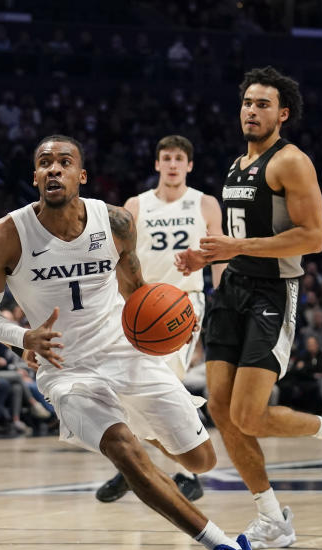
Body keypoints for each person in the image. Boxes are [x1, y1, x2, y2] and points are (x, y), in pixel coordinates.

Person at [0, 134, 255, 550]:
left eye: (64, 162)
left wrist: (175, 328)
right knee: (127, 454)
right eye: (44, 162)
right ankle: (226, 548)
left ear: (81, 176)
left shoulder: (117, 222)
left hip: (126, 351)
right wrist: (22, 335)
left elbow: (136, 290)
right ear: (34, 176)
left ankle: (142, 423)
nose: (53, 169)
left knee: (200, 460)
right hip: (66, 370)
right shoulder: (3, 235)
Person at [175, 66, 322, 550]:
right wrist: (208, 255)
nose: (252, 111)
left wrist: (236, 249)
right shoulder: (236, 164)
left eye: (263, 105)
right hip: (233, 291)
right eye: (247, 103)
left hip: (271, 293)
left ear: (282, 114)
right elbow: (236, 239)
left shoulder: (292, 162)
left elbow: (313, 236)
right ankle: (271, 517)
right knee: (220, 409)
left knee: (250, 415)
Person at [96, 134, 224, 504]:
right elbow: (113, 253)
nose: (171, 164)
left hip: (183, 305)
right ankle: (132, 463)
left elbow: (218, 253)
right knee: (124, 383)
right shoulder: (136, 205)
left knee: (166, 382)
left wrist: (223, 300)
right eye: (165, 157)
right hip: (137, 303)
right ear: (156, 164)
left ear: (189, 165)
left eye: (178, 158)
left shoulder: (205, 203)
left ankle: (180, 472)